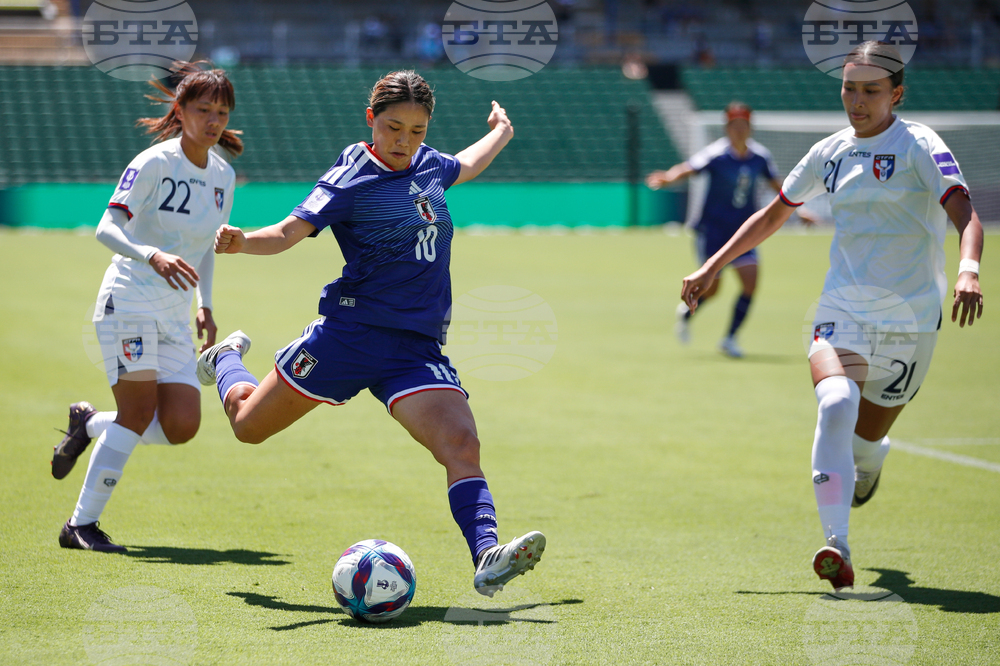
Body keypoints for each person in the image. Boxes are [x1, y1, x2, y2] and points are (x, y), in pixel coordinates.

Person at [196, 70, 545, 597]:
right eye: (393, 128)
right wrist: (243, 241)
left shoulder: (428, 164)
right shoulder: (352, 174)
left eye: (417, 131)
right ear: (371, 120)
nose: (404, 142)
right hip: (349, 336)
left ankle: (487, 555)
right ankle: (225, 361)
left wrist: (502, 130)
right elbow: (290, 231)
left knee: (461, 442)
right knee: (247, 425)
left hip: (415, 347)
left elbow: (467, 164)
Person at [680, 42, 984, 590]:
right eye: (849, 88)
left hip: (911, 321)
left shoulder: (919, 144)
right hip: (842, 307)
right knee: (837, 400)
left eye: (871, 91)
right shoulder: (830, 151)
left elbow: (966, 213)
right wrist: (712, 265)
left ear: (896, 93)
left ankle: (869, 462)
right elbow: (773, 214)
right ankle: (836, 544)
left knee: (867, 440)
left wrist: (968, 269)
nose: (857, 101)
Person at [52, 63, 242, 553]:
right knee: (136, 415)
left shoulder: (223, 174)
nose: (213, 121)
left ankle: (90, 424)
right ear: (180, 110)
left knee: (182, 426)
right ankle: (79, 526)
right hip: (130, 302)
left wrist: (207, 304)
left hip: (176, 313)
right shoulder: (154, 162)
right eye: (204, 110)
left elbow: (205, 247)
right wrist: (151, 253)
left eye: (221, 112)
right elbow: (106, 227)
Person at [647, 102, 784, 358]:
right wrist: (668, 177)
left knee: (751, 282)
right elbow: (689, 168)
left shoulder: (760, 156)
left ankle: (730, 339)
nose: (739, 130)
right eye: (734, 125)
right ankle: (686, 313)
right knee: (713, 289)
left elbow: (778, 184)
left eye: (744, 125)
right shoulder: (716, 153)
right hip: (713, 231)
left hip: (744, 232)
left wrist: (801, 208)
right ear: (727, 127)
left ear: (750, 127)